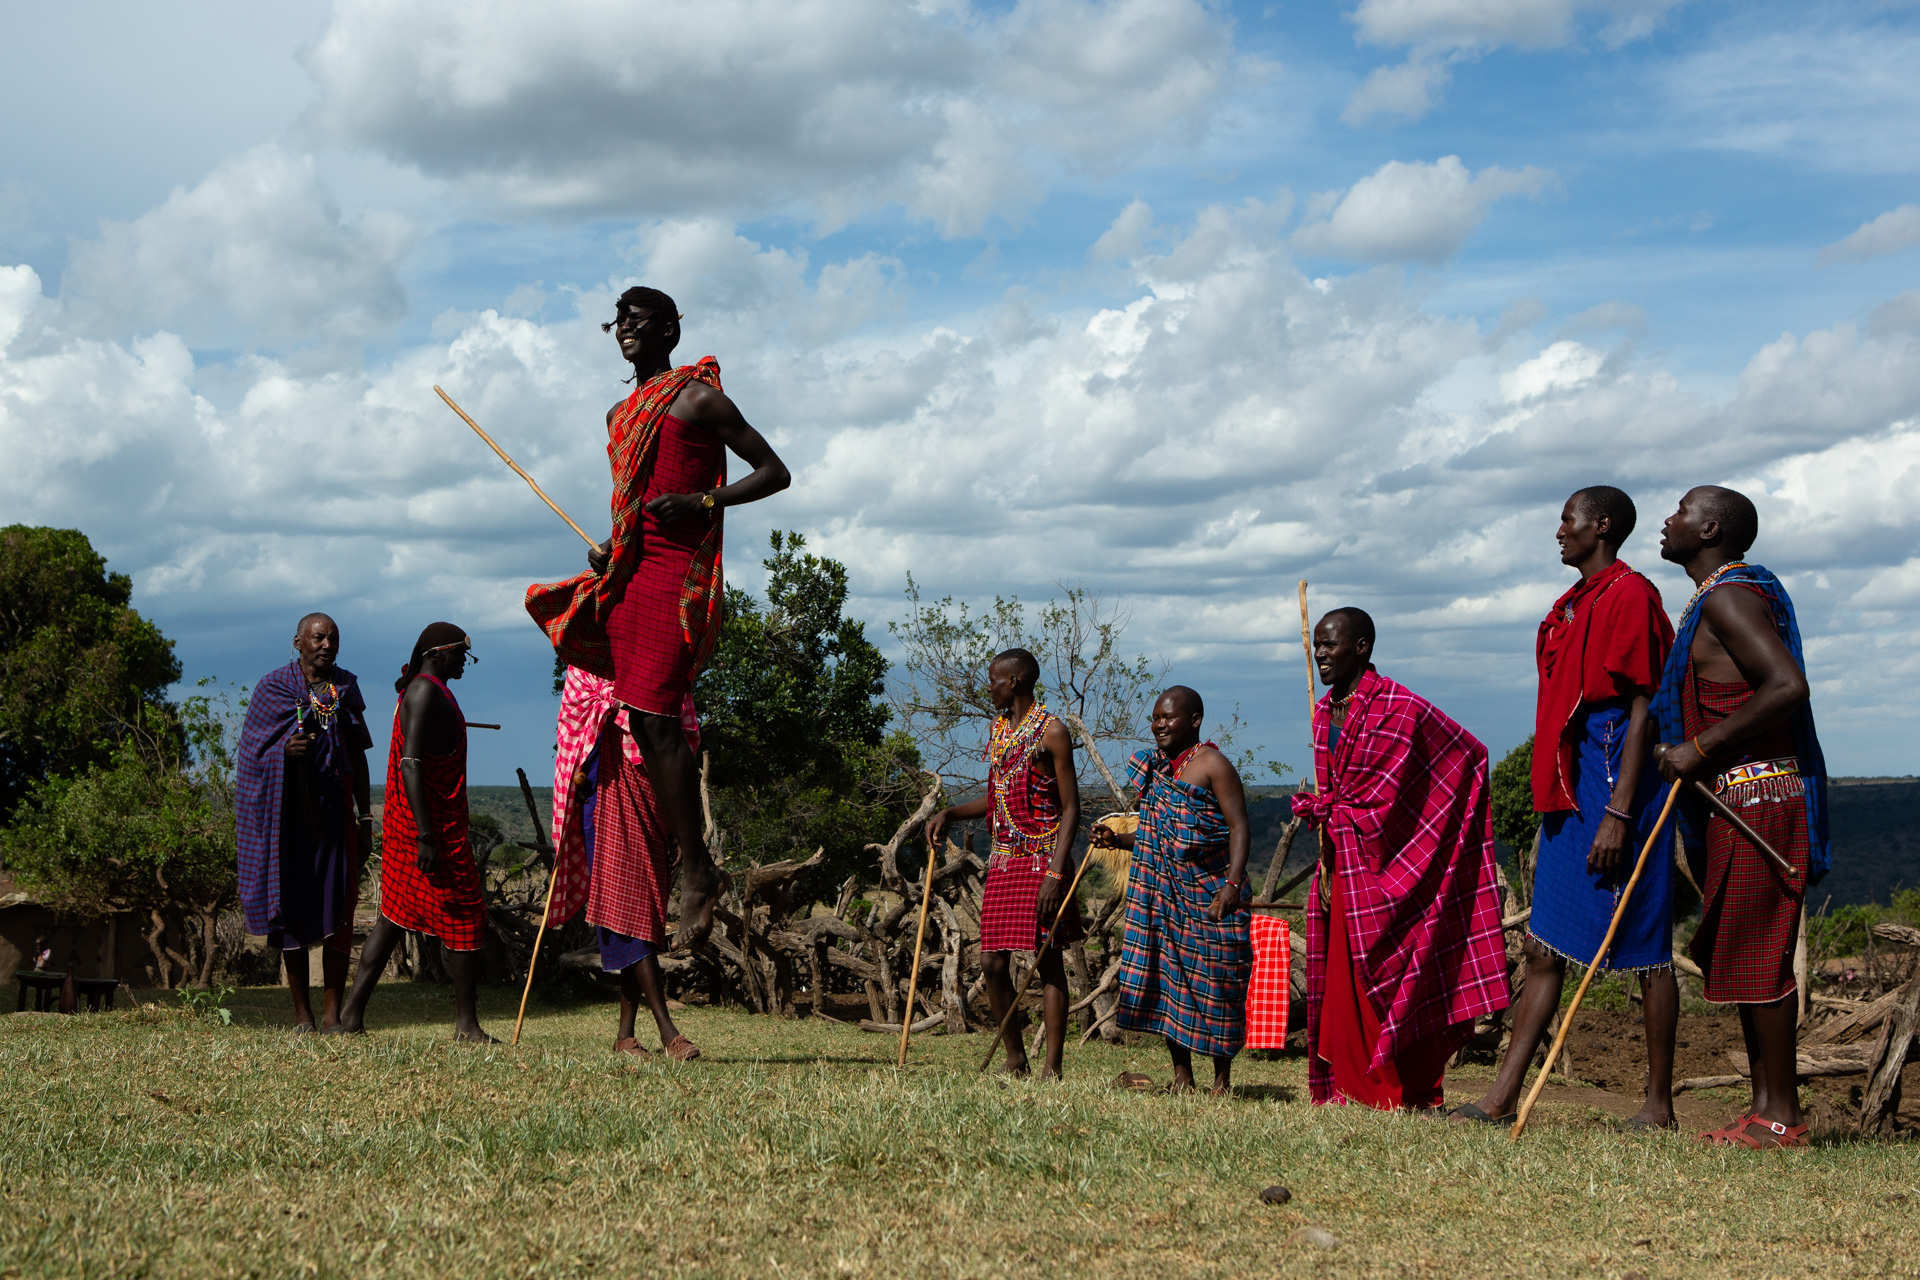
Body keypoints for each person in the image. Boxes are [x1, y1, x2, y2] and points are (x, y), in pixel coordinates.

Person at [526, 286, 790, 950]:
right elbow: (630, 506)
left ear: (670, 331)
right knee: (642, 717)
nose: (627, 331)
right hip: (635, 572)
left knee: (657, 712)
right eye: (620, 323)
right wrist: (610, 548)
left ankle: (697, 871)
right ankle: (693, 867)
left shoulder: (698, 399)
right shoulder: (619, 413)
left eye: (641, 322)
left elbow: (775, 473)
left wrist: (705, 500)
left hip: (679, 575)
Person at [1456, 487, 1679, 1129]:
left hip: (1616, 779)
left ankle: (1658, 1105)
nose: (1559, 533)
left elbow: (1644, 705)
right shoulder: (1581, 602)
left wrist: (1619, 810)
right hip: (1572, 780)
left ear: (1600, 526)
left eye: (1567, 521)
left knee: (1647, 942)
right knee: (1543, 945)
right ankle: (1500, 1100)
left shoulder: (1631, 596)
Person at [1652, 486, 1828, 1149]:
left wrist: (1699, 747)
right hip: (1738, 798)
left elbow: (1787, 686)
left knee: (1761, 952)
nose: (1667, 522)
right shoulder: (1712, 601)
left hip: (1759, 797)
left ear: (1710, 528)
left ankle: (1781, 1117)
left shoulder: (1729, 599)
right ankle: (1763, 1112)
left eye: (1680, 512)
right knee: (1748, 954)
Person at [1293, 609, 1509, 1111]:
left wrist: (1348, 819)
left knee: (1390, 976)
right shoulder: (1324, 711)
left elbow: (1469, 754)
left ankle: (1400, 1090)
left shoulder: (1399, 706)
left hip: (1388, 868)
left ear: (1362, 646)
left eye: (1331, 644)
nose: (1321, 653)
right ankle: (1352, 1087)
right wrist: (1329, 842)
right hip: (1342, 865)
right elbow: (1341, 794)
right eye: (1317, 645)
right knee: (1343, 979)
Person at [925, 649, 1085, 1078]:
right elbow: (994, 799)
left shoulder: (1051, 732)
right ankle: (1016, 1060)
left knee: (1046, 959)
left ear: (1013, 681)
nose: (989, 686)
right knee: (992, 963)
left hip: (1041, 861)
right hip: (1004, 860)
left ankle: (1053, 1068)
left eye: (993, 679)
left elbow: (1072, 809)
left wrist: (1056, 872)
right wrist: (950, 812)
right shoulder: (998, 731)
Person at [1091, 686, 1252, 1095]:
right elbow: (1155, 833)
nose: (1159, 725)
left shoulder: (1213, 764)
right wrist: (1117, 839)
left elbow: (1238, 827)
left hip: (1211, 894)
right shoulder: (1159, 770)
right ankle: (1182, 1077)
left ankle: (1221, 1080)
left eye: (1168, 718)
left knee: (1218, 981)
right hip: (1165, 899)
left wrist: (1232, 885)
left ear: (1194, 720)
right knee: (1167, 981)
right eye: (1156, 718)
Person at [336, 623, 492, 1041]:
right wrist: (426, 835)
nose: (464, 662)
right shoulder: (423, 691)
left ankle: (350, 1019)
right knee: (466, 917)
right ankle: (466, 1027)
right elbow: (411, 764)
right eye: (460, 654)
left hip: (426, 825)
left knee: (390, 919)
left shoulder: (426, 691)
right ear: (437, 653)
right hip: (427, 830)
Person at [543, 664, 701, 1061]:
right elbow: (575, 735)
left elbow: (677, 744)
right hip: (607, 795)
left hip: (653, 803)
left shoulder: (658, 665)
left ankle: (625, 1036)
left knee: (644, 914)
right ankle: (669, 1032)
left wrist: (679, 827)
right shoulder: (584, 672)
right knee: (627, 909)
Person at [235, 613, 373, 1031]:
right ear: (297, 642)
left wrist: (365, 816)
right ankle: (302, 1016)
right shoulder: (273, 688)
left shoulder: (344, 688)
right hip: (287, 819)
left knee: (339, 910)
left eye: (332, 638)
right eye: (317, 637)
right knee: (290, 910)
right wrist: (284, 752)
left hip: (334, 815)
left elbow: (359, 754)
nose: (326, 644)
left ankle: (333, 1015)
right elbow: (251, 754)